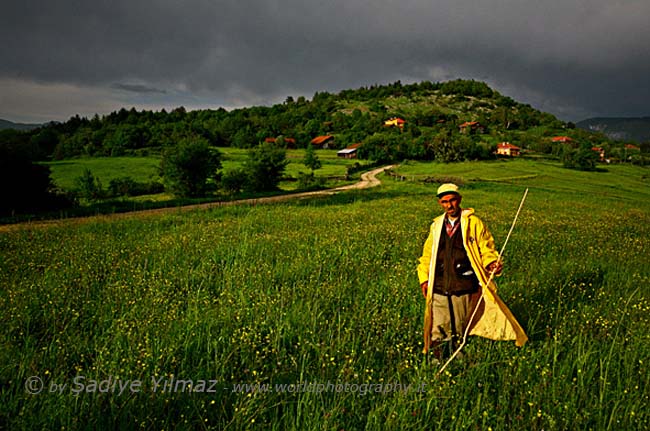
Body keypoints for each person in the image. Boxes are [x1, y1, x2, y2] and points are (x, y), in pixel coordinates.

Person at [417, 183, 528, 358]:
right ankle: (437, 358)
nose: (449, 205)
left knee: (459, 324)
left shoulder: (474, 223)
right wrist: (424, 278)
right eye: (444, 202)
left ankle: (457, 354)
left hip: (463, 283)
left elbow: (486, 248)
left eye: (452, 200)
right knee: (438, 324)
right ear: (440, 203)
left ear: (459, 200)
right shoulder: (436, 225)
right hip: (438, 283)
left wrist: (492, 262)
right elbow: (427, 255)